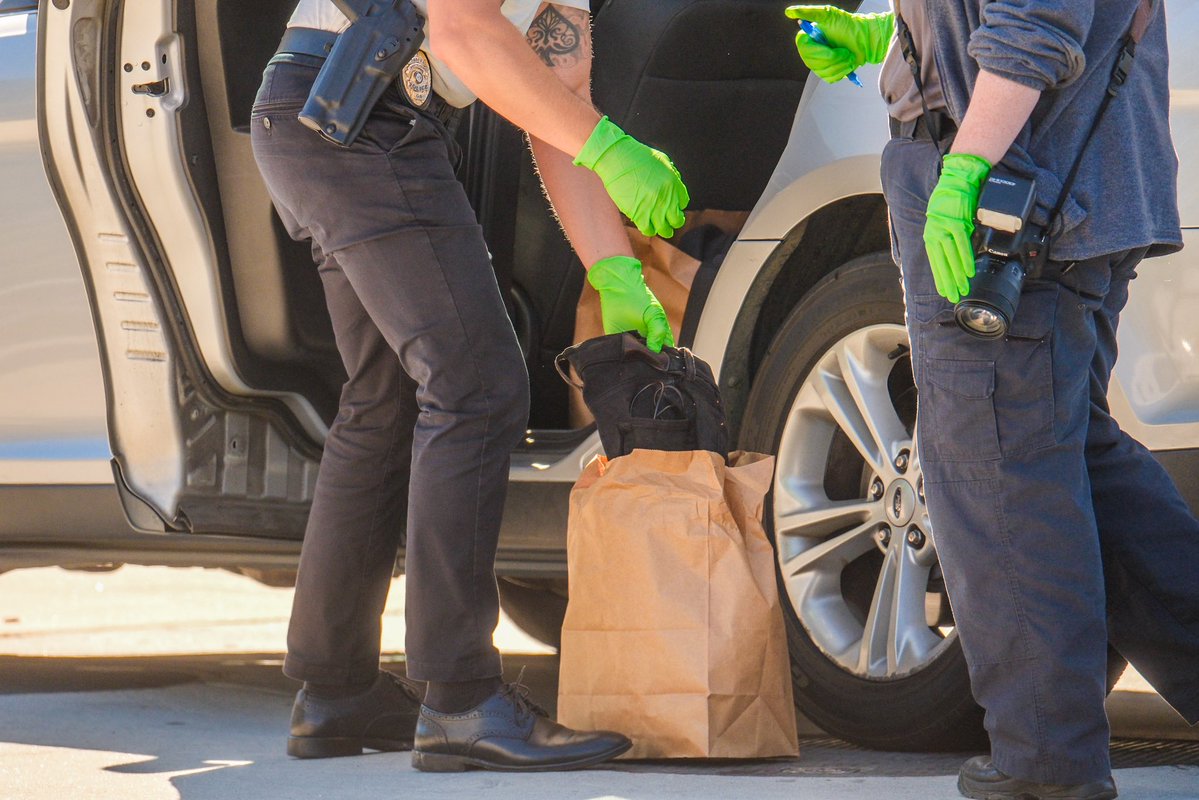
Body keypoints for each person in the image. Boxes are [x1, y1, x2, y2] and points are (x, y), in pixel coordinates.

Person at [251, 0, 688, 772]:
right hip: (357, 111)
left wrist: (611, 266)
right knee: (476, 385)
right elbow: (459, 28)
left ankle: (335, 691)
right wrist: (613, 148)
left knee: (383, 397)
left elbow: (558, 111)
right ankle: (458, 698)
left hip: (333, 113)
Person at [786, 2, 1198, 799]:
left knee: (999, 473)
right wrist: (893, 37)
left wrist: (965, 169)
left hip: (1017, 194)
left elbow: (1035, 20)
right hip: (1060, 185)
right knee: (1066, 454)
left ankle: (1044, 760)